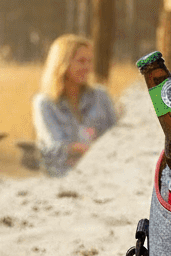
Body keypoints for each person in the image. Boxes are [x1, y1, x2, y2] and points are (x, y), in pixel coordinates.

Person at [32, 34, 118, 177]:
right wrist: (94, 150)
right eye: (81, 61)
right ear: (62, 64)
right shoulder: (44, 103)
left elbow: (117, 138)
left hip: (104, 175)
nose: (88, 68)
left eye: (90, 61)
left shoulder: (101, 96)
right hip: (62, 179)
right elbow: (54, 149)